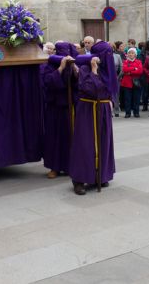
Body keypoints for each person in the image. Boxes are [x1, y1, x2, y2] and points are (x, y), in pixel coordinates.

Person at [70, 41, 117, 195]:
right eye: (106, 54)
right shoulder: (85, 69)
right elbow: (90, 89)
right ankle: (79, 180)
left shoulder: (108, 70)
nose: (108, 57)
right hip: (88, 109)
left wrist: (110, 100)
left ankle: (101, 175)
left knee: (104, 142)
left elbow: (110, 89)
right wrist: (94, 71)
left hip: (102, 109)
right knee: (85, 143)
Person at [41, 42, 78, 179]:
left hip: (70, 107)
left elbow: (78, 83)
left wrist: (74, 69)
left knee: (70, 137)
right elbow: (48, 82)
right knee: (54, 138)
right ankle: (54, 167)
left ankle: (69, 166)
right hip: (54, 107)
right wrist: (61, 68)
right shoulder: (48, 65)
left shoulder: (73, 64)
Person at [120, 48, 143, 118]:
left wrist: (130, 72)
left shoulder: (139, 62)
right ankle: (128, 113)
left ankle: (136, 112)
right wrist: (134, 68)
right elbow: (124, 69)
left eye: (132, 53)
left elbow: (140, 71)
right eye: (129, 53)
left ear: (135, 54)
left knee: (136, 98)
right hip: (127, 83)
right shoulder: (125, 62)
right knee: (127, 99)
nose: (131, 54)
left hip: (136, 82)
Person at [111, 42, 123, 117]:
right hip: (107, 77)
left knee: (116, 94)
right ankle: (110, 111)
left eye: (111, 47)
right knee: (108, 94)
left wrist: (119, 76)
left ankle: (116, 110)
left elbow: (121, 67)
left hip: (116, 76)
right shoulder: (103, 56)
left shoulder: (117, 56)